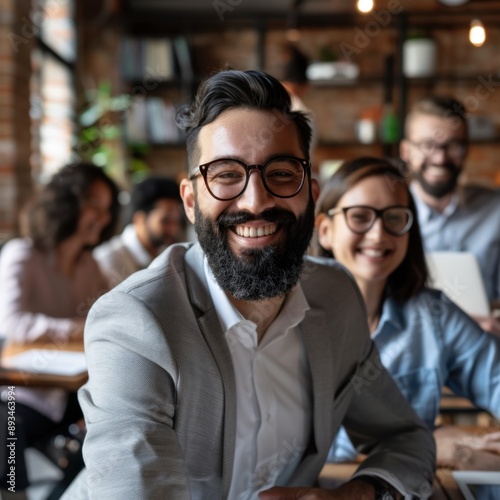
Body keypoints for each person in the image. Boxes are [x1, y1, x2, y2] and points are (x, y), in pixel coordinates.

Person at [68, 70, 435, 500]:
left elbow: (406, 438)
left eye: (281, 173)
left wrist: (354, 496)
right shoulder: (136, 323)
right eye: (226, 174)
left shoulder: (335, 298)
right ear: (191, 201)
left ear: (311, 194)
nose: (256, 200)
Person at [314, 156, 500, 471]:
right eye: (359, 217)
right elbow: (279, 443)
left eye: (394, 218)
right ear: (325, 230)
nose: (378, 234)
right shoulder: (290, 317)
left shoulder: (434, 316)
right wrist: (426, 442)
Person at [0, 163, 120, 498]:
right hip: (23, 390)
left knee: (119, 421)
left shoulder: (90, 265)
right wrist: (81, 327)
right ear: (66, 203)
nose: (104, 216)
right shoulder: (21, 253)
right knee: (6, 429)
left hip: (74, 391)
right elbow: (12, 322)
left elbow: (113, 313)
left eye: (107, 208)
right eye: (94, 204)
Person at [399, 95, 500, 334]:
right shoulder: (387, 218)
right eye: (427, 145)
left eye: (453, 145)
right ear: (406, 151)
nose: (440, 158)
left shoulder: (496, 211)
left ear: (467, 150)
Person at [93, 175, 183, 286]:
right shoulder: (108, 261)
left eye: (176, 221)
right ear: (140, 219)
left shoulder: (168, 256)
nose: (173, 229)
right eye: (165, 221)